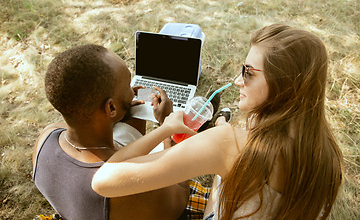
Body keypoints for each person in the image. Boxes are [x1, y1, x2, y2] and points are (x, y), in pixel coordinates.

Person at [92, 24, 344, 220]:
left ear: (284, 85)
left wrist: (167, 128)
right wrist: (222, 133)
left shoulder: (228, 144)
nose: (237, 81)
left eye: (249, 73)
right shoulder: (328, 152)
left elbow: (104, 181)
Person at [32, 44, 192, 220]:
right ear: (111, 107)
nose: (133, 90)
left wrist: (121, 109)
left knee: (132, 115)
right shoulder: (126, 185)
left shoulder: (46, 137)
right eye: (128, 84)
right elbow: (181, 195)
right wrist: (168, 128)